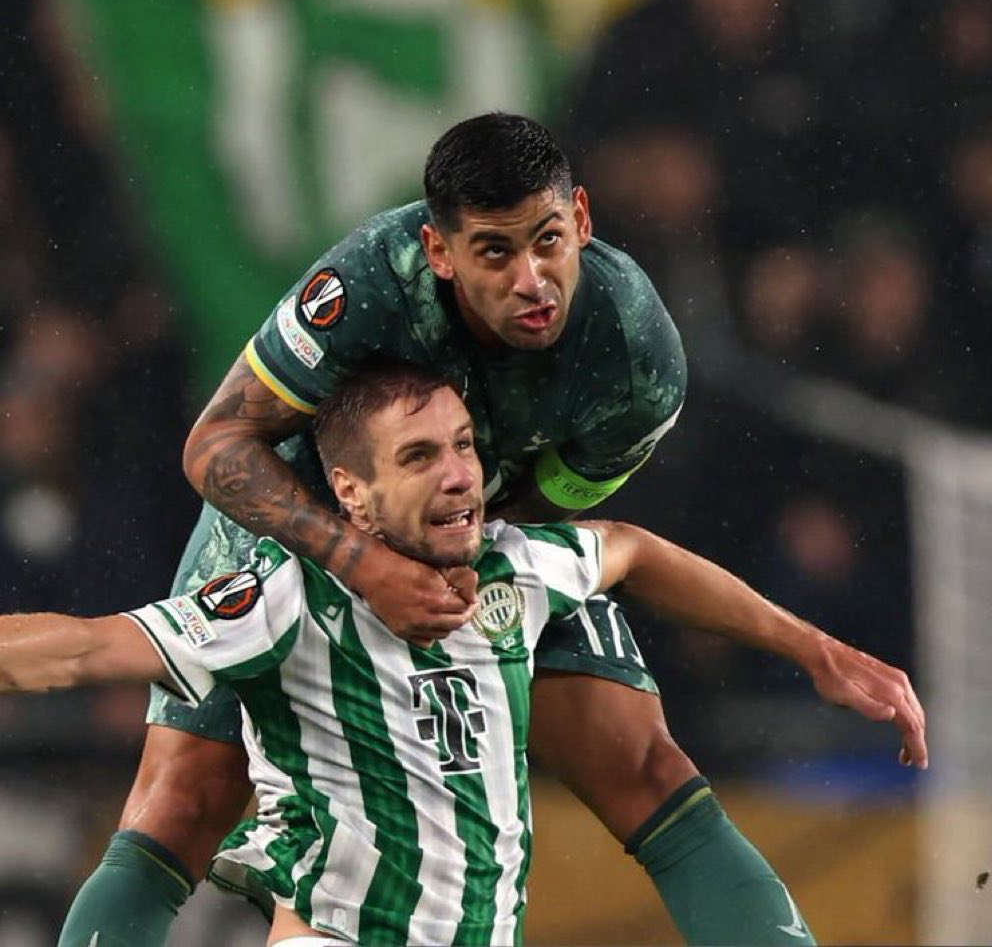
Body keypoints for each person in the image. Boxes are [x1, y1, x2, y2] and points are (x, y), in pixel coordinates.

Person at [55, 113, 891, 946]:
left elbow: (553, 505)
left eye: (548, 240)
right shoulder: (368, 284)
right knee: (180, 805)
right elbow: (216, 445)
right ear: (440, 250)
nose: (532, 280)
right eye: (494, 251)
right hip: (301, 513)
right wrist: (364, 563)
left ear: (582, 219)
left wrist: (456, 565)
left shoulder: (637, 357)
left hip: (471, 526)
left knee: (644, 764)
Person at [9, 357, 927, 945]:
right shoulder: (289, 595)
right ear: (351, 495)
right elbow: (85, 649)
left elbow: (632, 549)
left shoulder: (517, 568)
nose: (458, 475)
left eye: (461, 446)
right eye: (418, 457)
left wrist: (812, 647)